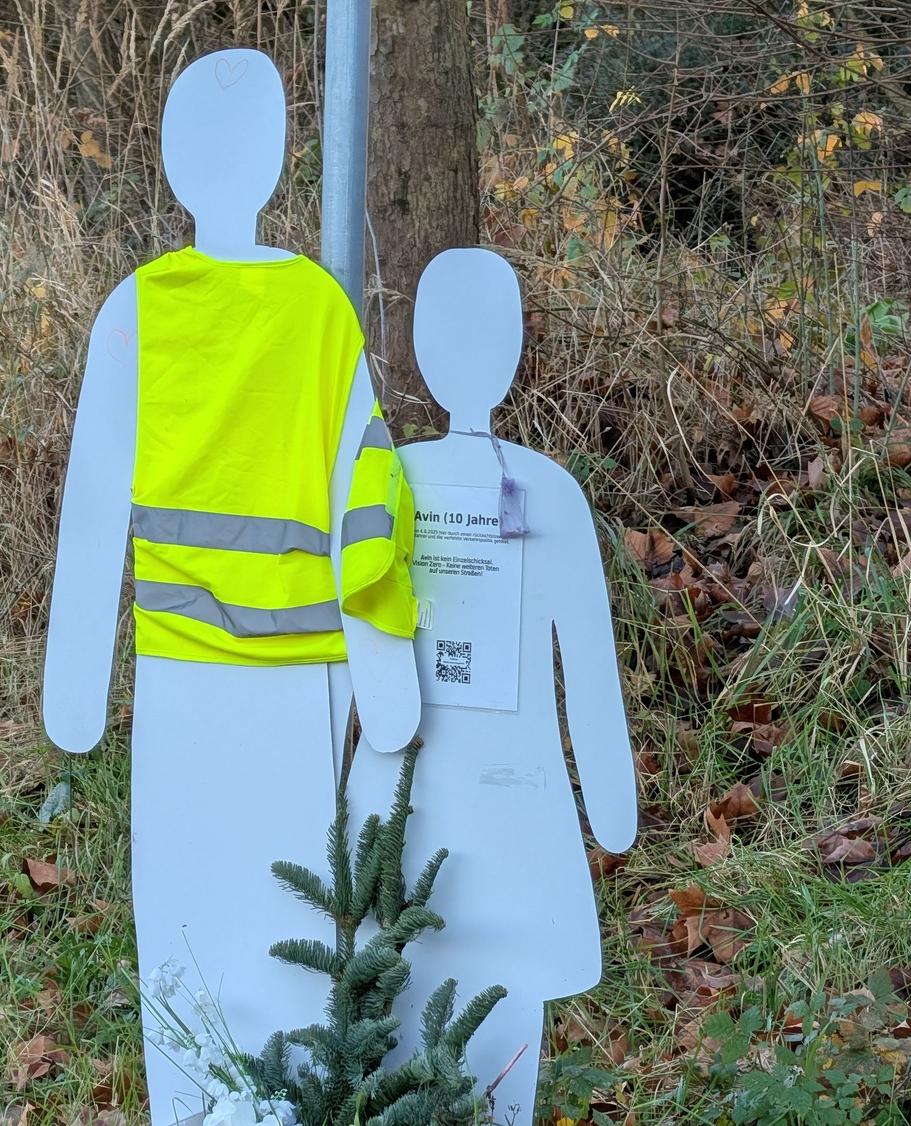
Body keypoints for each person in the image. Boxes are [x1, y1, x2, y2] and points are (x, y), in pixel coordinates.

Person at [40, 48, 421, 1124]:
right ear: (276, 160)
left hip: (178, 676)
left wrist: (74, 697)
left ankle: (197, 1108)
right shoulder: (318, 310)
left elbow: (90, 521)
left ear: (168, 162)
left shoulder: (137, 310)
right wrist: (387, 689)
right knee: (295, 918)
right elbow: (369, 505)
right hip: (309, 681)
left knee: (186, 918)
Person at [346, 248, 637, 1126]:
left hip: (405, 784)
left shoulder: (387, 477)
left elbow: (349, 641)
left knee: (400, 1006)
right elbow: (588, 677)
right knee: (503, 1036)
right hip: (513, 800)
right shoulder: (548, 489)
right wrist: (611, 810)